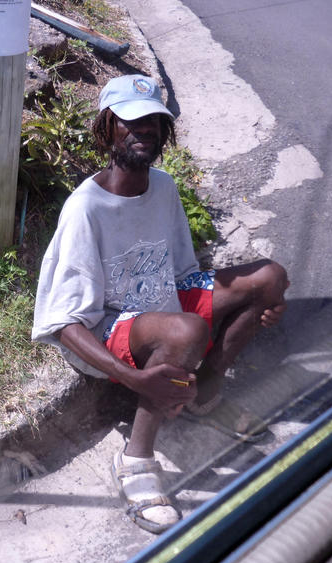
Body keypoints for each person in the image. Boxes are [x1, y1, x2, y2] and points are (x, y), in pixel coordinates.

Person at [31, 75, 289, 533]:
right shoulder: (86, 209)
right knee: (186, 330)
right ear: (106, 128)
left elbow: (183, 275)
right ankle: (136, 459)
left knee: (269, 277)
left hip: (163, 305)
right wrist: (132, 376)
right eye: (130, 121)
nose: (143, 130)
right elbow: (64, 323)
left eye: (153, 121)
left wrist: (257, 307)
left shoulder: (164, 188)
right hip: (110, 331)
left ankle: (203, 396)